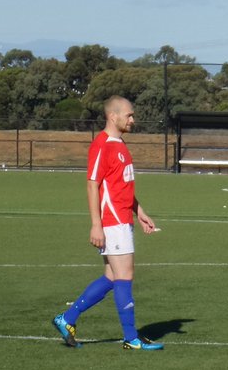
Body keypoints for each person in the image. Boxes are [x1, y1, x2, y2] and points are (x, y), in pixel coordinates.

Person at [50, 95, 164, 350]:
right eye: (129, 115)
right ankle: (131, 338)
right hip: (112, 222)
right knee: (124, 276)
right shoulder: (102, 145)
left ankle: (67, 319)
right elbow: (93, 184)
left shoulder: (119, 144)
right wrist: (96, 225)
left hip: (122, 219)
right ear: (113, 116)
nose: (133, 119)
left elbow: (120, 186)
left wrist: (139, 210)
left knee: (113, 276)